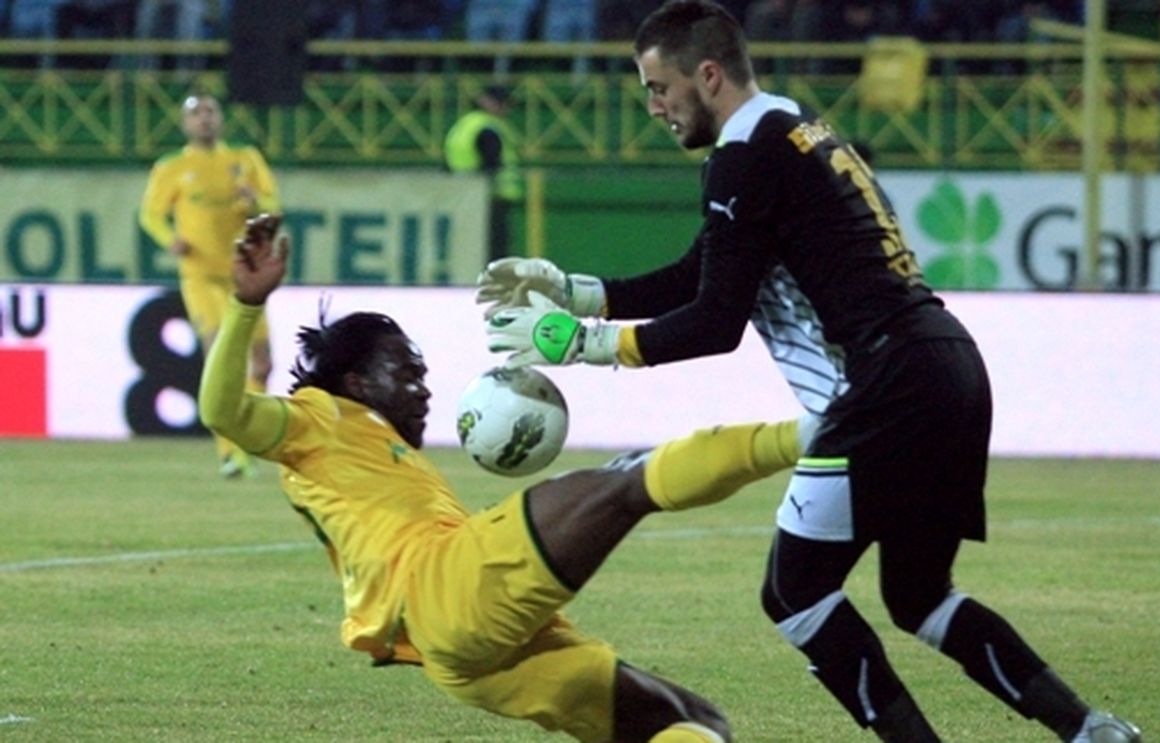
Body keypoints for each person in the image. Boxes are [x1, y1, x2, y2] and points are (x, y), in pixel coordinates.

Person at [476, 2, 1143, 742]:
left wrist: (584, 345)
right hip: (948, 364)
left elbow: (714, 323)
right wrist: (575, 291)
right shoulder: (794, 129)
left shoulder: (742, 155)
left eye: (659, 87)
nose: (654, 106)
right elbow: (704, 272)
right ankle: (1090, 730)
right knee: (919, 595)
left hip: (883, 383)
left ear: (708, 73)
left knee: (794, 592)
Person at [199, 213, 809, 742]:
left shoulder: (384, 451)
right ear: (358, 383)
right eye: (407, 371)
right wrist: (246, 305)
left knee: (692, 721)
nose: (424, 387)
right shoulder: (323, 416)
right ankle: (816, 434)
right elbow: (224, 412)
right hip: (441, 588)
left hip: (474, 656)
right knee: (626, 481)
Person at [140, 93, 280, 479]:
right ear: (185, 124)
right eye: (196, 113)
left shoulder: (245, 160)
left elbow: (273, 206)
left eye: (210, 112)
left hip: (244, 273)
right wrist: (170, 238)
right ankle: (230, 453)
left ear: (221, 119)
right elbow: (150, 214)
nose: (204, 119)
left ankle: (252, 441)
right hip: (201, 275)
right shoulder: (174, 167)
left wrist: (256, 203)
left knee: (263, 364)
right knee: (221, 355)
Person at [444, 84, 523, 262]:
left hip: (462, 197)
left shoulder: (464, 125)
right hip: (491, 197)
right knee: (495, 251)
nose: (506, 109)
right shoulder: (488, 128)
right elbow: (491, 164)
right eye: (503, 104)